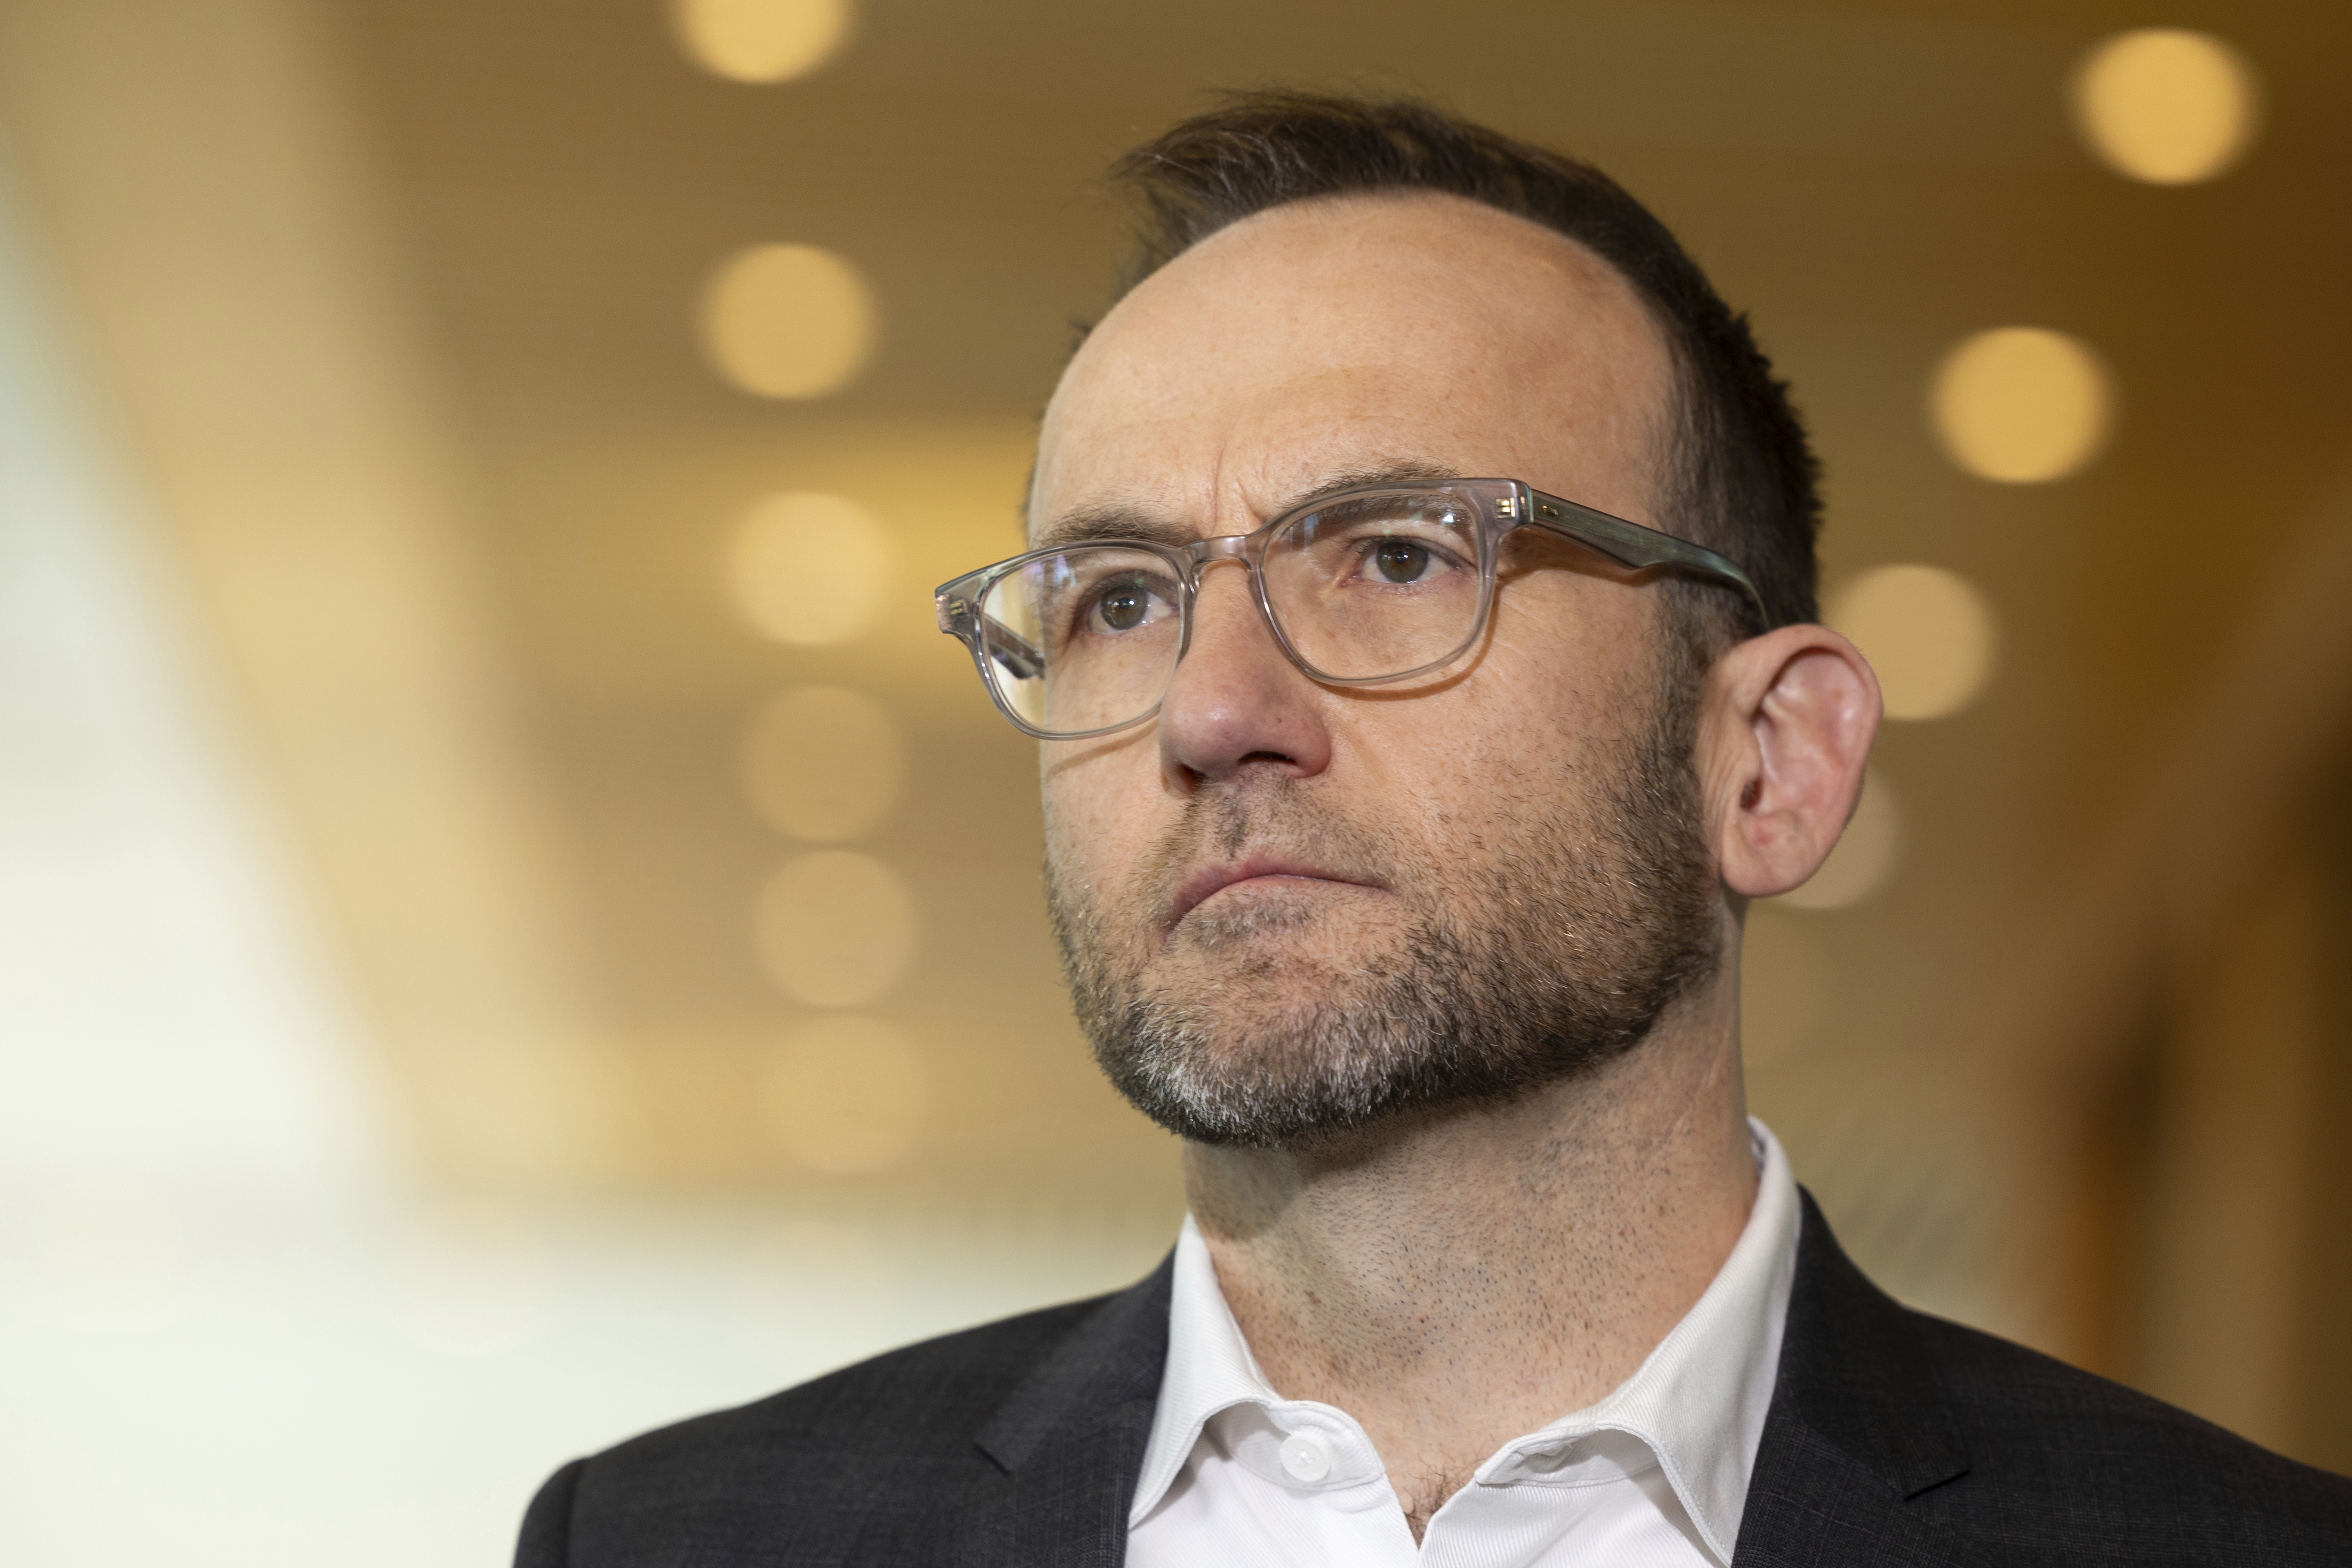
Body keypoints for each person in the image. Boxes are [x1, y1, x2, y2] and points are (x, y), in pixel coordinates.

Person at [515, 92, 2352, 1567]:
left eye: (1400, 556)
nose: (1213, 712)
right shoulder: (683, 1541)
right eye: (1124, 600)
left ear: (1770, 764)